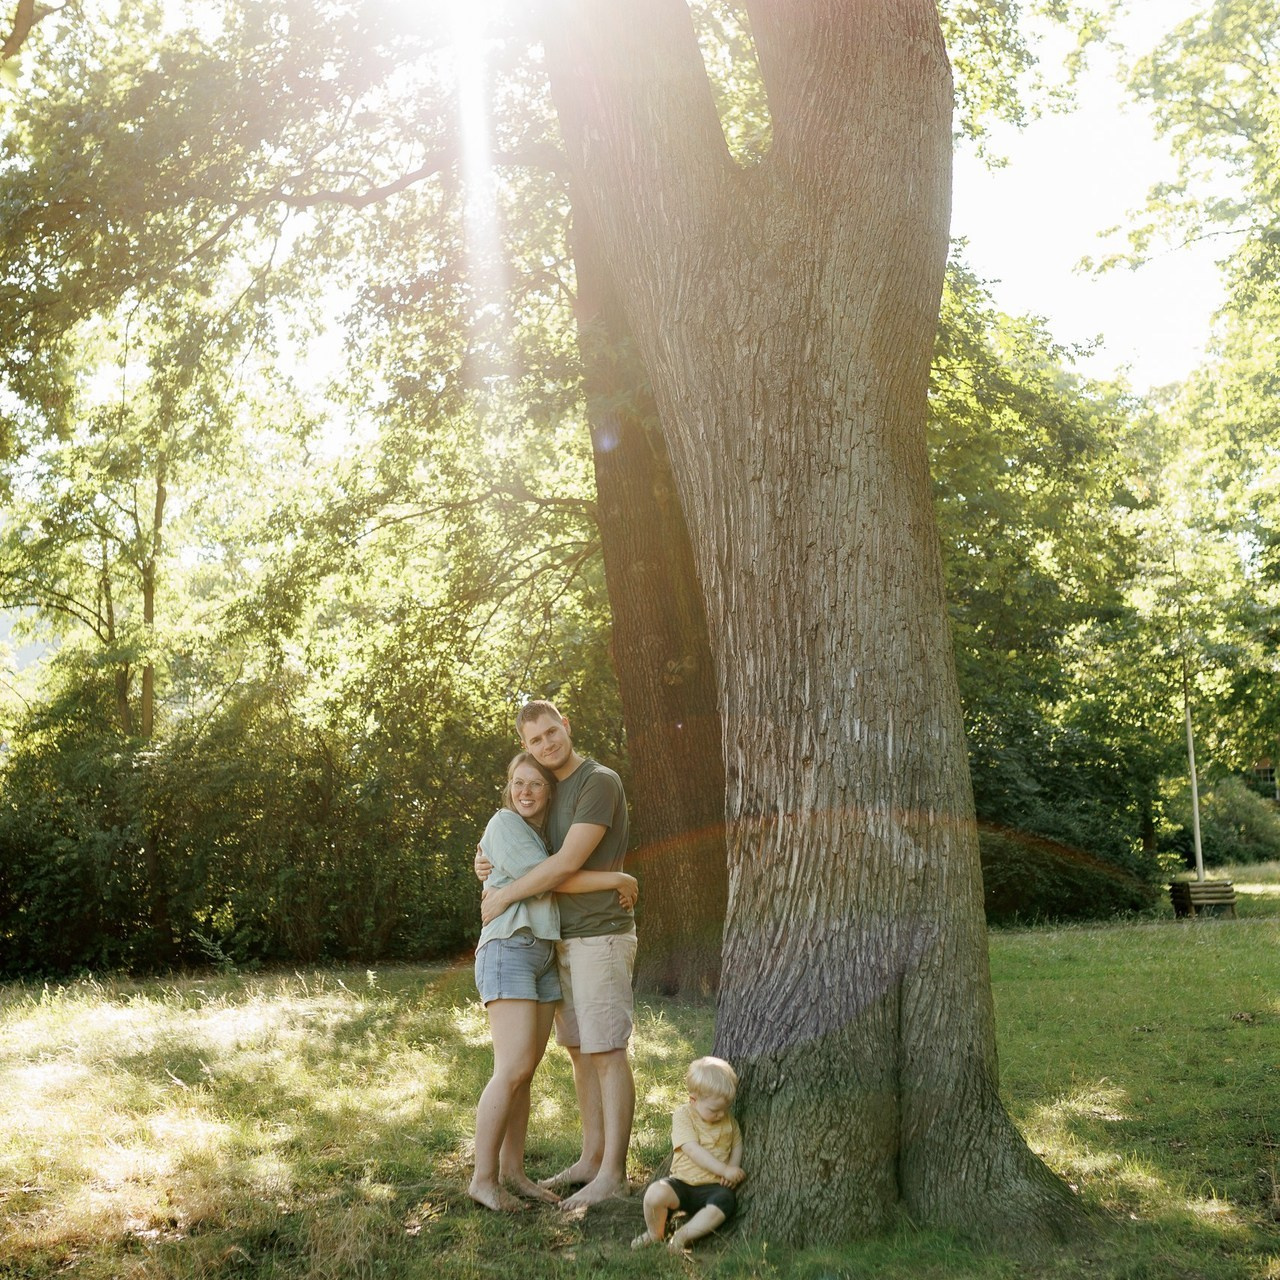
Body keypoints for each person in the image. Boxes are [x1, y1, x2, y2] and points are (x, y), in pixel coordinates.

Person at [476, 700, 635, 1209]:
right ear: (527, 748)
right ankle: (591, 1158)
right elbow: (523, 855)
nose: (547, 744)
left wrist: (505, 891)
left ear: (566, 725)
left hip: (600, 934)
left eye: (551, 732)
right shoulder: (546, 794)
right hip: (559, 940)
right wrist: (491, 868)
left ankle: (613, 1172)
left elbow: (562, 865)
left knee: (606, 1050)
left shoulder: (597, 782)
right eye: (535, 741)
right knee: (580, 1052)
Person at [631, 1056, 745, 1252]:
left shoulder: (729, 1121)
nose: (721, 1115)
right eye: (714, 1110)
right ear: (693, 1100)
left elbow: (737, 1145)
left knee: (726, 1202)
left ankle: (683, 1236)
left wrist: (733, 1169)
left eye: (725, 1109)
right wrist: (724, 1169)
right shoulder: (684, 1116)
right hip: (681, 1184)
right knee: (654, 1193)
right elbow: (692, 1149)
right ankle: (655, 1232)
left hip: (713, 1188)